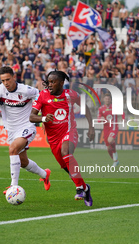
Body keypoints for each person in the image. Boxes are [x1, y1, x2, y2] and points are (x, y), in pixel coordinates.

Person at [29, 71, 95, 207]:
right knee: (67, 168)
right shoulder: (42, 95)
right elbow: (31, 116)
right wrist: (42, 118)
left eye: (53, 82)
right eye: (48, 82)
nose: (50, 85)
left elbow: (85, 107)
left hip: (69, 131)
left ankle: (79, 189)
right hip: (53, 139)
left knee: (66, 152)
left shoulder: (71, 95)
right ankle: (85, 188)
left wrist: (91, 127)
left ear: (61, 83)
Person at [0, 66, 51, 194]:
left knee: (13, 149)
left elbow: (42, 98)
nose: (6, 83)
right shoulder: (0, 90)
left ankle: (13, 187)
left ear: (14, 77)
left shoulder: (26, 90)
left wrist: (43, 118)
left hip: (27, 126)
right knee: (23, 162)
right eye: (3, 80)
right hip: (11, 130)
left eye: (8, 80)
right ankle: (45, 175)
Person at [97, 93, 123, 167]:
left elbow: (123, 113)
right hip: (106, 129)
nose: (107, 100)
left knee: (110, 140)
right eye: (106, 99)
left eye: (108, 99)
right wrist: (100, 119)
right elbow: (98, 119)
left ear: (111, 100)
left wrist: (123, 118)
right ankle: (115, 161)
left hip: (113, 127)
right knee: (108, 149)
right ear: (104, 99)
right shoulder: (101, 109)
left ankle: (115, 154)